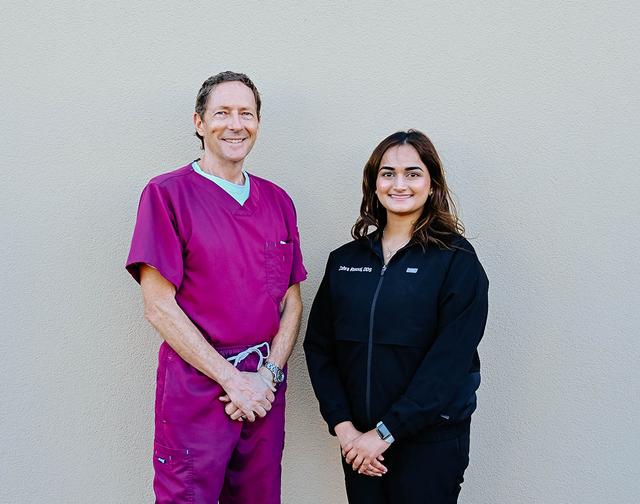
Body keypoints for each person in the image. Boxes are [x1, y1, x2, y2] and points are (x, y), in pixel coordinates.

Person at [126, 71, 306, 503]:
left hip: (263, 391)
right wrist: (233, 380)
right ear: (199, 122)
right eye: (221, 112)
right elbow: (158, 307)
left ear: (258, 123)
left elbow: (292, 303)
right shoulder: (166, 195)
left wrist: (268, 376)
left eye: (246, 113)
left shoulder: (277, 201)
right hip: (197, 393)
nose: (235, 123)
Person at [304, 130, 489, 503]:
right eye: (387, 173)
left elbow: (449, 362)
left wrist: (384, 433)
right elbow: (319, 347)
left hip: (429, 442)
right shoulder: (345, 261)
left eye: (412, 173)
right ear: (374, 184)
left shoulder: (456, 261)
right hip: (358, 446)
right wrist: (346, 430)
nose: (399, 184)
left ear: (432, 183)